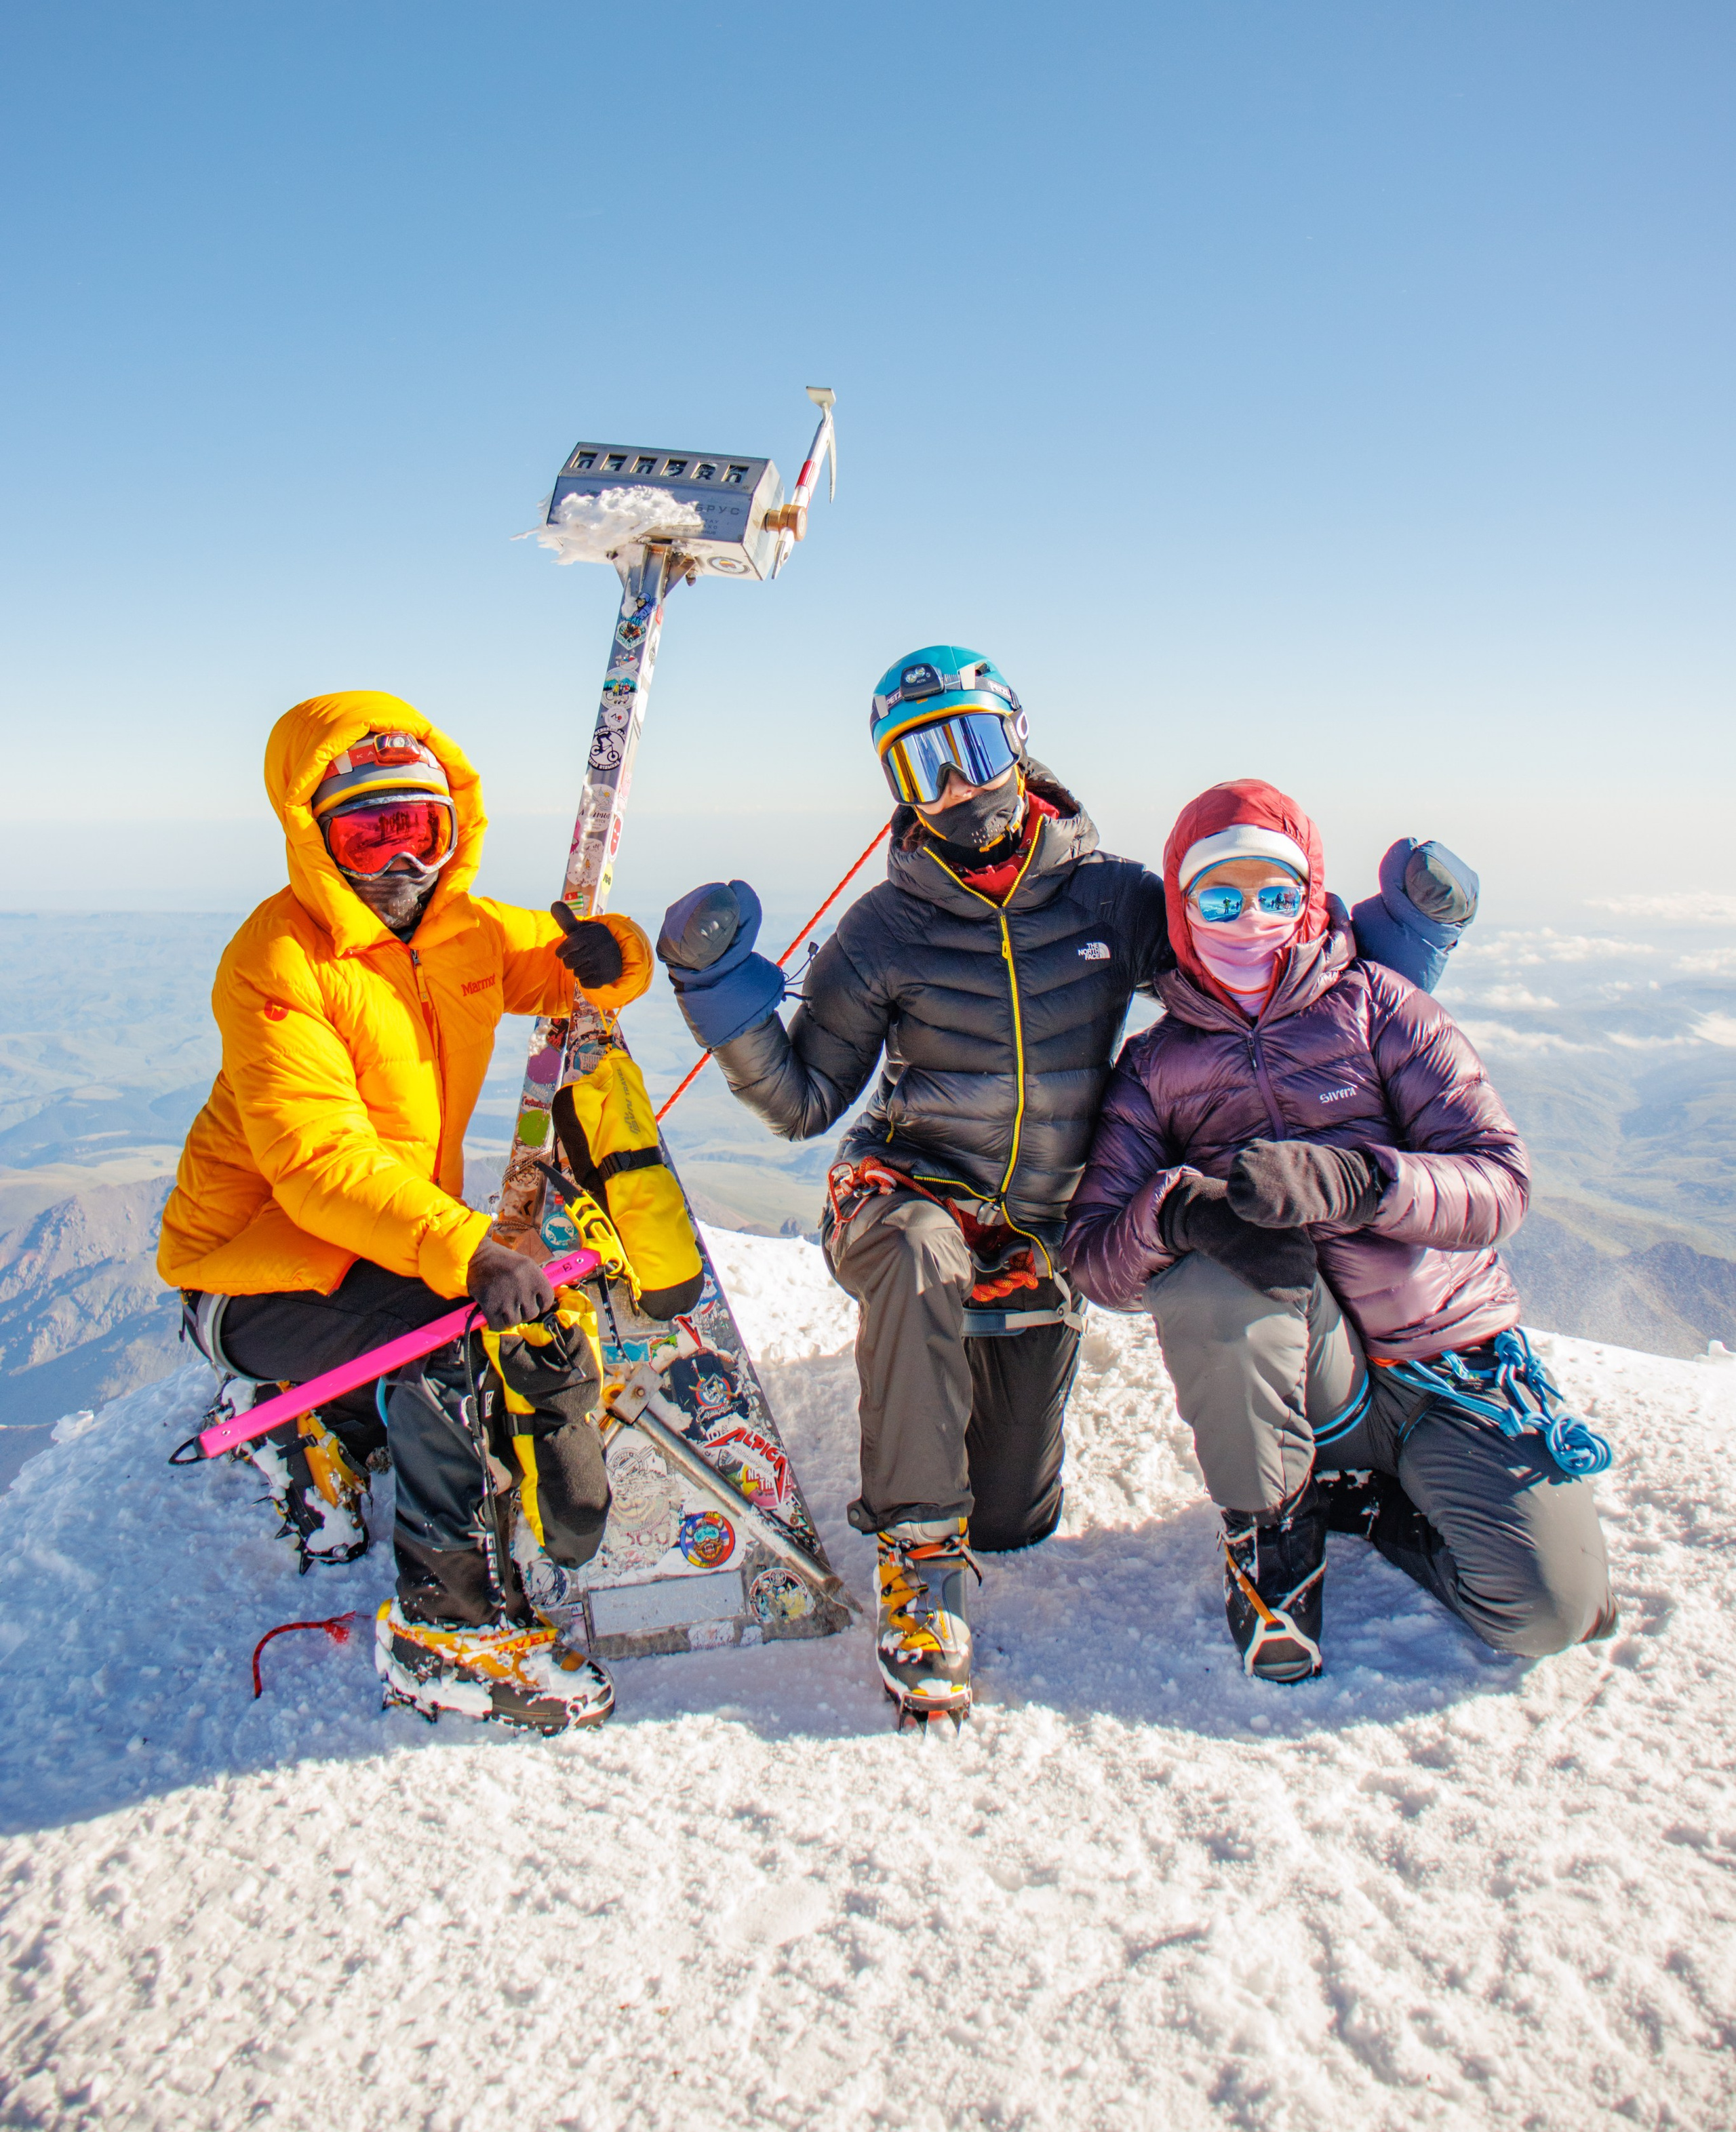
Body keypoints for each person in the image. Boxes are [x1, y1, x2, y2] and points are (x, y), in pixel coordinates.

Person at [656, 648, 1478, 1719]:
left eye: (975, 748)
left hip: (1044, 1229)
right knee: (915, 1257)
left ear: (1020, 740)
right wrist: (718, 996)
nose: (959, 786)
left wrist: (1407, 935)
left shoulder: (1110, 899)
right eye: (923, 768)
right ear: (896, 790)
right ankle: (918, 1566)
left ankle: (968, 1500)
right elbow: (806, 1100)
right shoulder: (885, 928)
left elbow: (1255, 966)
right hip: (911, 1187)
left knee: (1013, 1515)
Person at [157, 691, 673, 1733]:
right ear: (316, 836)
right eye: (368, 832)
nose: (402, 864)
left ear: (454, 831)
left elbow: (563, 958)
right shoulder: (279, 960)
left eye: (421, 830)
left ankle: (327, 1426)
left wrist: (614, 954)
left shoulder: (460, 933)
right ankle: (449, 1626)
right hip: (239, 1270)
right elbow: (318, 1164)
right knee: (443, 1332)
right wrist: (467, 1247)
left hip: (365, 1243)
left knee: (431, 1299)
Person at [1063, 777, 1615, 1684]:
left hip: (1448, 1367)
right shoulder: (1156, 1067)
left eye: (1278, 895)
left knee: (1552, 1613)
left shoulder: (1380, 1006)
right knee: (1202, 1278)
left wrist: (1364, 1182)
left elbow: (1502, 1185)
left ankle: (1367, 1504)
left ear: (1311, 896)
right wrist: (1183, 1212)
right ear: (1182, 904)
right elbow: (1094, 1257)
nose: (1251, 922)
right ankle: (1271, 1540)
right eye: (1220, 896)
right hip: (1309, 1378)